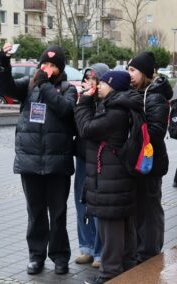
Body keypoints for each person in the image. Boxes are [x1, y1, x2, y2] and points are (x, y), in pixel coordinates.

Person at [0, 44, 77, 275]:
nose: (47, 68)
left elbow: (64, 110)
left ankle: (60, 256)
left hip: (57, 162)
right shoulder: (28, 87)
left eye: (52, 65)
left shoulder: (68, 90)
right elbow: (5, 87)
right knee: (36, 213)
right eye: (44, 64)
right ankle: (36, 255)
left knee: (58, 213)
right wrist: (3, 60)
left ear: (60, 70)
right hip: (30, 161)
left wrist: (44, 85)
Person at [75, 71, 142, 284]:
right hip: (118, 178)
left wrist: (84, 101)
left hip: (111, 180)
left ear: (115, 87)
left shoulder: (116, 112)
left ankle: (109, 273)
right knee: (123, 225)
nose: (100, 86)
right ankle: (127, 268)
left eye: (103, 83)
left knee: (111, 227)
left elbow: (87, 128)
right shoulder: (122, 106)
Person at [128, 51, 173, 263]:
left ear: (144, 73)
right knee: (139, 208)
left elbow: (156, 132)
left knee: (150, 209)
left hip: (150, 162)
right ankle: (140, 249)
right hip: (136, 161)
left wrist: (136, 121)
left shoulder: (154, 97)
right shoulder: (137, 93)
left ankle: (149, 253)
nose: (129, 75)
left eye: (133, 70)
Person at [73, 63, 109, 268]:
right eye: (86, 78)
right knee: (81, 202)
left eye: (94, 78)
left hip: (99, 158)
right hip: (82, 155)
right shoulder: (82, 98)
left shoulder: (107, 101)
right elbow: (77, 125)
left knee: (97, 204)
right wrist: (83, 100)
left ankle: (99, 251)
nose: (89, 82)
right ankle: (85, 246)